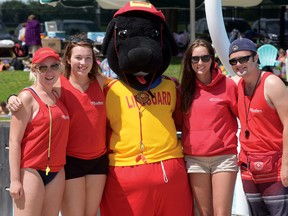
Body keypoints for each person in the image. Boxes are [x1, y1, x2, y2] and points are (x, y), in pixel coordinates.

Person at [8, 33, 110, 216]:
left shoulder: (100, 82)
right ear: (69, 60)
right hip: (65, 162)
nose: (83, 62)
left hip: (90, 162)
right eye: (78, 57)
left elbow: (125, 89)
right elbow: (33, 94)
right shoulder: (58, 86)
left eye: (88, 58)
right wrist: (11, 98)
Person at [229, 38, 288, 215]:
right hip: (248, 166)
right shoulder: (236, 84)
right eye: (234, 61)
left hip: (275, 166)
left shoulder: (271, 83)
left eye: (244, 59)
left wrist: (286, 164)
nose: (239, 64)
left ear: (256, 58)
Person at [9, 47, 70, 216]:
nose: (49, 71)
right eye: (43, 67)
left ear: (60, 68)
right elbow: (14, 141)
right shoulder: (27, 97)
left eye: (54, 66)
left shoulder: (58, 95)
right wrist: (14, 180)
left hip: (57, 171)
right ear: (34, 69)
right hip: (31, 170)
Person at [180, 39, 239, 216]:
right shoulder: (183, 90)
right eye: (195, 59)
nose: (200, 63)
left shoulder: (228, 86)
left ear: (212, 60)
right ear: (189, 62)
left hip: (224, 158)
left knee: (222, 212)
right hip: (195, 160)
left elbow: (243, 117)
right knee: (205, 213)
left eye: (205, 58)